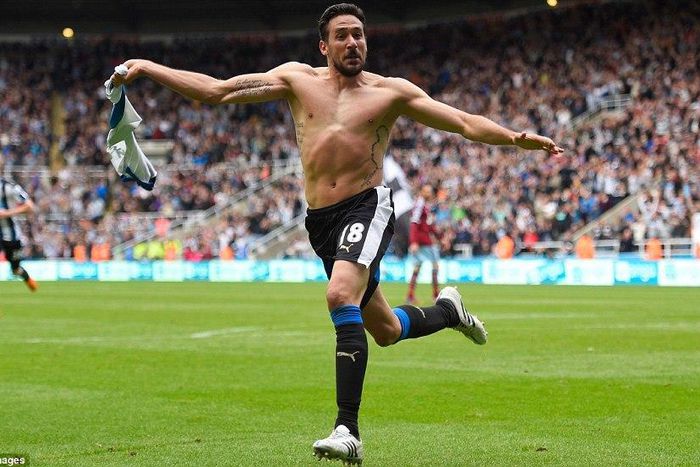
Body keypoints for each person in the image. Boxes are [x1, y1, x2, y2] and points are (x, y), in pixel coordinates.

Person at [111, 3, 563, 464]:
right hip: (321, 222)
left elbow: (463, 123)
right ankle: (448, 312)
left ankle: (348, 430)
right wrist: (147, 67)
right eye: (342, 35)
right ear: (324, 46)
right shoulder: (295, 80)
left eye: (359, 34)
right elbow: (217, 91)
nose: (353, 43)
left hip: (367, 207)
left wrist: (513, 137)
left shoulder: (390, 93)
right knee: (385, 330)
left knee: (339, 295)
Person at [0, 176, 38, 291]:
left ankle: (28, 279)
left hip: (10, 236)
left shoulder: (9, 186)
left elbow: (30, 206)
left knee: (15, 269)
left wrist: (7, 213)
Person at [406, 184, 440, 304]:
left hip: (423, 239)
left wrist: (438, 236)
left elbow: (427, 225)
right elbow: (414, 223)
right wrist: (414, 242)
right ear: (422, 192)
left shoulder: (424, 205)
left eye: (430, 192)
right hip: (422, 241)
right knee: (435, 265)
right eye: (426, 191)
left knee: (417, 267)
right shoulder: (419, 204)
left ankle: (410, 296)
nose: (429, 194)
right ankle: (435, 295)